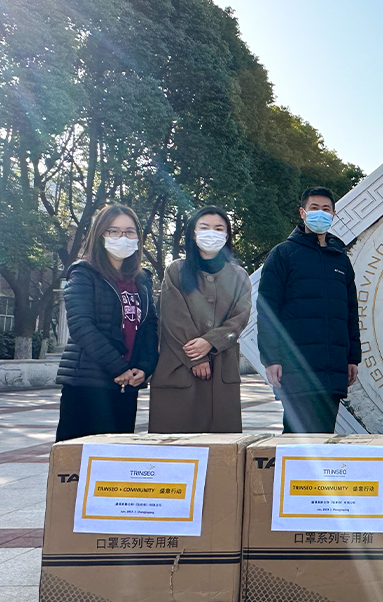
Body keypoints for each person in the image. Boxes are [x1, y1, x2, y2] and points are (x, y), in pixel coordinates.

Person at [257, 187, 361, 433]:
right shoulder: (283, 254)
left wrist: (352, 358)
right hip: (296, 368)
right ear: (302, 213)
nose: (320, 214)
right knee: (296, 439)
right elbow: (267, 309)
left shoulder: (340, 260)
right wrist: (271, 358)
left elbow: (350, 312)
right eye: (314, 208)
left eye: (326, 209)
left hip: (332, 368)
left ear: (334, 214)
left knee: (324, 439)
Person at [55, 205, 159, 441]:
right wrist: (118, 368)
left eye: (130, 232)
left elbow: (149, 326)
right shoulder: (83, 273)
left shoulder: (141, 280)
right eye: (114, 231)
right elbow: (82, 326)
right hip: (87, 386)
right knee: (78, 468)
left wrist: (144, 367)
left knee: (115, 467)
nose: (123, 238)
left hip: (126, 387)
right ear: (100, 235)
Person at [148, 207, 252, 433]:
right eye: (204, 228)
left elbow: (240, 318)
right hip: (179, 368)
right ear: (193, 234)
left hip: (222, 370)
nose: (211, 233)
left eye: (219, 228)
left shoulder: (238, 275)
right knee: (175, 449)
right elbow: (173, 317)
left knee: (221, 452)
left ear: (226, 236)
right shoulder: (176, 270)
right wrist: (196, 357)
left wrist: (211, 342)